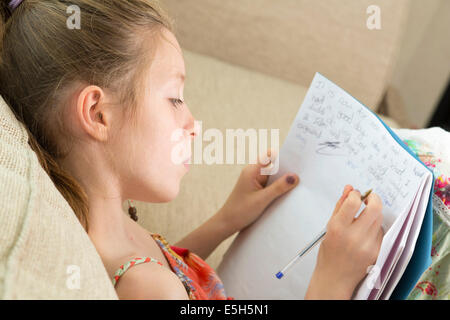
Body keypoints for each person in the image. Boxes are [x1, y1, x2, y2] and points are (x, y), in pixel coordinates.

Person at [0, 0, 383, 300]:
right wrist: (332, 283)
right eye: (174, 99)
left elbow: (170, 271)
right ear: (98, 114)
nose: (192, 124)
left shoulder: (115, 231)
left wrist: (226, 220)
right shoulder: (147, 288)